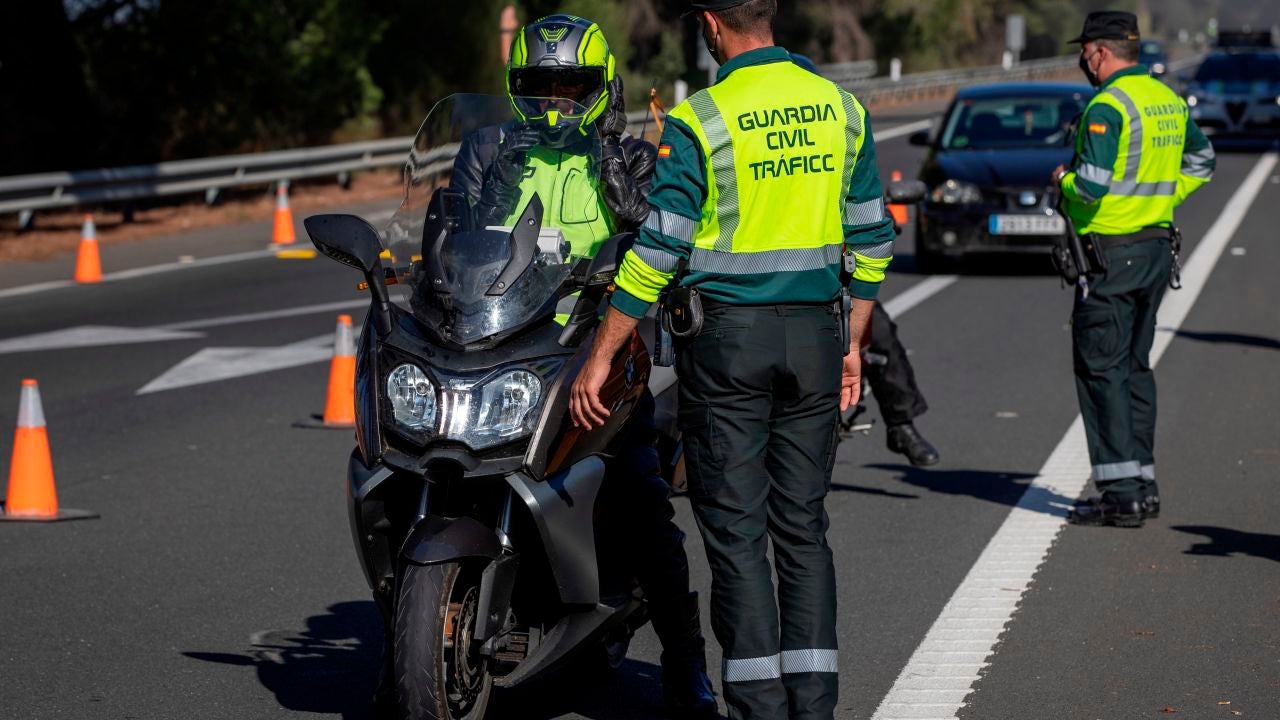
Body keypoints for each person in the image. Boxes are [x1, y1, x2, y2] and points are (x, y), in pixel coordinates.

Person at [570, 0, 896, 717]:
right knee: (803, 529)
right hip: (814, 337)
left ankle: (759, 709)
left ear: (712, 24)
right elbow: (872, 237)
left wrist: (601, 356)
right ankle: (813, 706)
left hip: (727, 348)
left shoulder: (702, 119)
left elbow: (657, 252)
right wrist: (853, 339)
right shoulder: (841, 109)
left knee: (738, 534)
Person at [449, 14, 718, 718]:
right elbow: (449, 240)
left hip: (596, 347)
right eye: (540, 87)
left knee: (640, 498)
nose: (557, 100)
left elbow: (645, 228)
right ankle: (411, 645)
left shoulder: (631, 154)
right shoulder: (487, 150)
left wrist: (603, 149)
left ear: (601, 88)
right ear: (517, 90)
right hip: (502, 340)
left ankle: (686, 668)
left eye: (573, 86)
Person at [1051, 11, 1214, 527]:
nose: (1083, 60)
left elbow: (1091, 186)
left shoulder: (1107, 107)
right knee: (1136, 366)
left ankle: (1121, 494)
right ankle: (1143, 483)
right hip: (1154, 249)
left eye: (1085, 51)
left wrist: (1064, 180)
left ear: (1099, 52)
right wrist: (1160, 201)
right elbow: (1202, 162)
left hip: (1112, 252)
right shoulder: (1166, 99)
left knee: (1102, 368)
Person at [789, 53, 939, 468]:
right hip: (776, 286)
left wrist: (879, 217)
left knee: (882, 336)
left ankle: (902, 425)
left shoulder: (837, 143)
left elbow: (867, 202)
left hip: (837, 281)